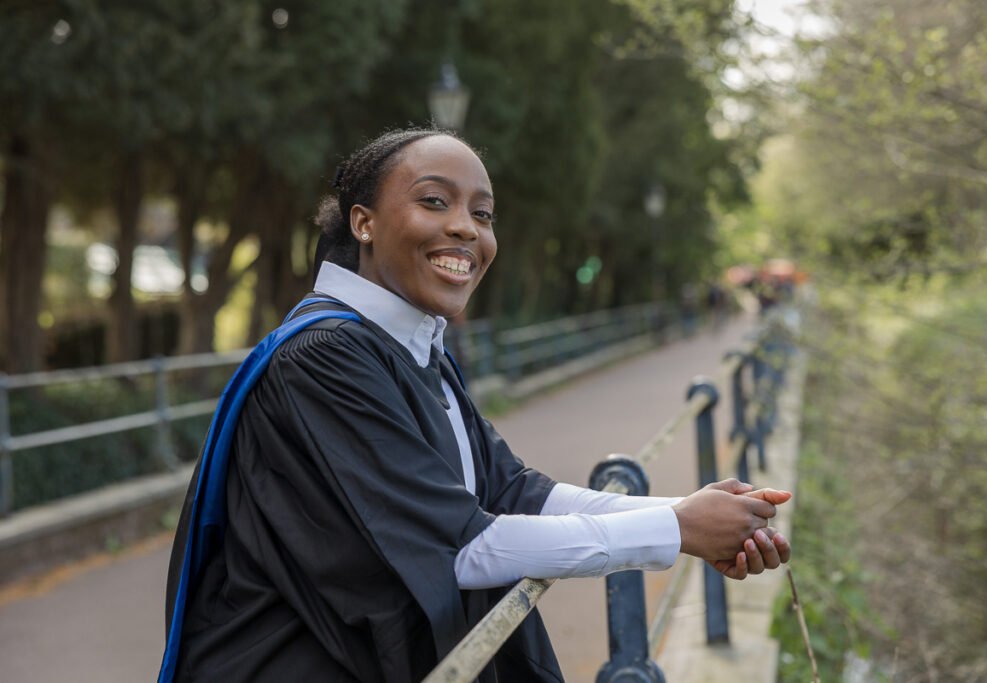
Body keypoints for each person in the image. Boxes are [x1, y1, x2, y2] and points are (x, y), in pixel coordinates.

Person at [160, 128, 791, 683]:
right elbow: (462, 548)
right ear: (364, 222)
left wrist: (687, 511)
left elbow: (511, 490)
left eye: (483, 214)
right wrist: (676, 531)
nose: (467, 227)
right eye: (434, 201)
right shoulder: (325, 357)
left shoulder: (409, 343)